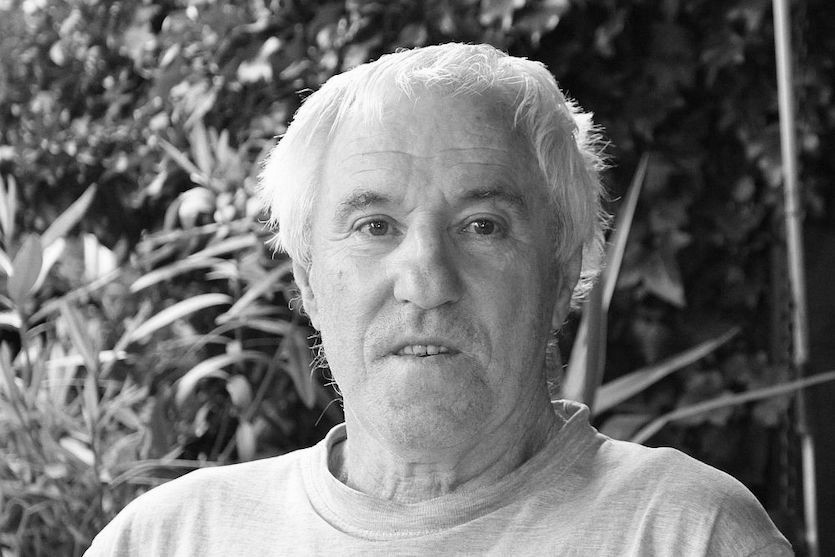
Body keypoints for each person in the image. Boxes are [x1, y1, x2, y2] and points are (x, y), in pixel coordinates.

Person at [85, 43, 792, 556]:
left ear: (561, 273)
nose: (425, 282)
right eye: (375, 226)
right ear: (307, 280)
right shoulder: (167, 539)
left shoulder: (686, 533)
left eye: (482, 226)